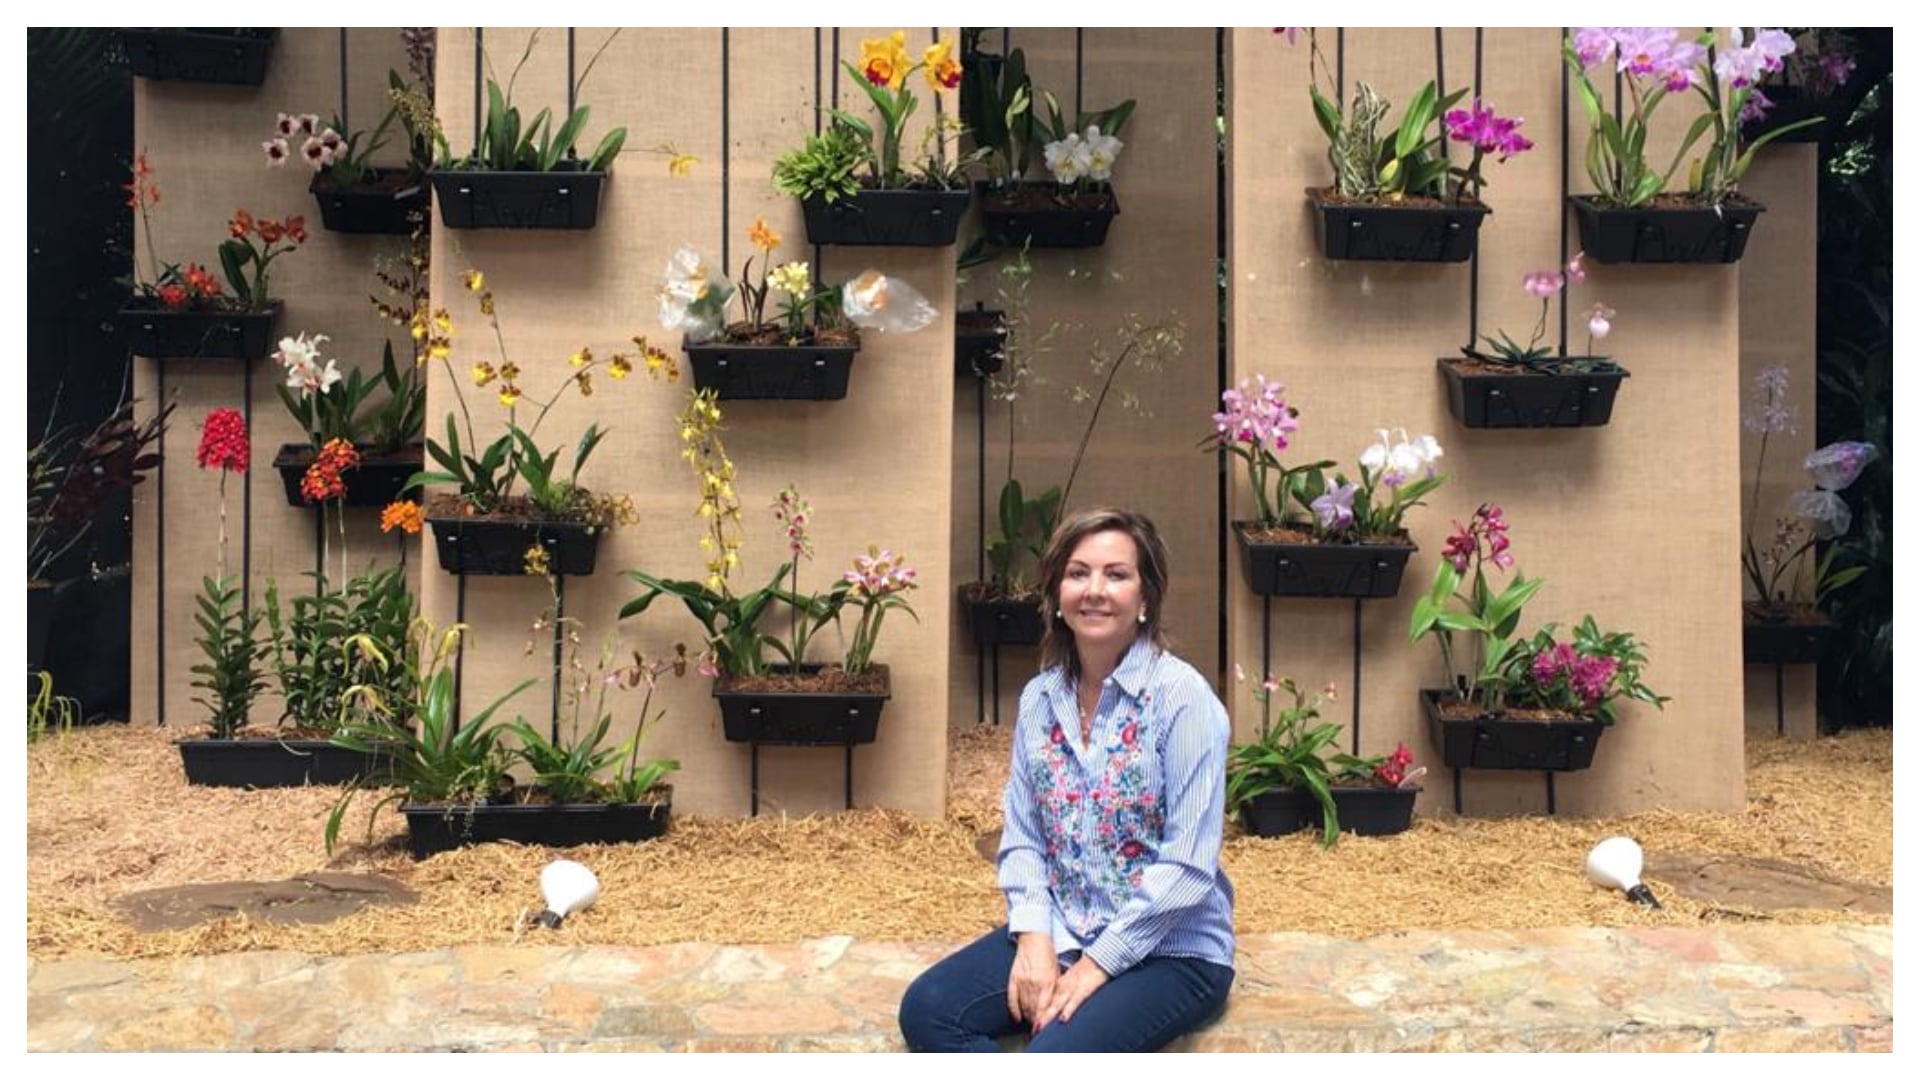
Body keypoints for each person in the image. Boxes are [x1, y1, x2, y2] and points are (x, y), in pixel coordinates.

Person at [900, 507, 1235, 1052]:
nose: (1095, 590)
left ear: (1146, 598)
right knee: (929, 1011)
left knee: (1053, 1054)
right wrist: (1034, 936)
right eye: (1078, 573)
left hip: (1173, 950)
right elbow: (1025, 836)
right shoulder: (1041, 699)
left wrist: (1095, 967)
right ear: (1057, 592)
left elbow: (1188, 867)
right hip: (1067, 930)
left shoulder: (1183, 700)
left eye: (1117, 575)